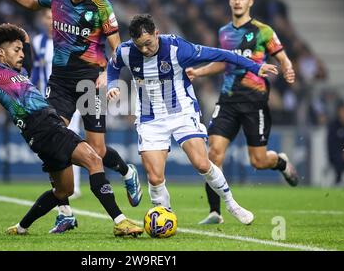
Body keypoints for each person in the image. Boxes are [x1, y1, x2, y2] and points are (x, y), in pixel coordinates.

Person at [0, 23, 143, 237]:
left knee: (63, 191)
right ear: (1, 52)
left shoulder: (19, 73)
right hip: (44, 125)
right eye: (16, 50)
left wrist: (25, 40)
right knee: (93, 159)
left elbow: (27, 62)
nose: (21, 54)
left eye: (21, 50)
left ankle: (21, 227)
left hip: (38, 134)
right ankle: (120, 221)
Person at [0, 0, 142, 233]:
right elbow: (33, 2)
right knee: (52, 142)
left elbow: (117, 48)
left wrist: (106, 75)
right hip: (60, 82)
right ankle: (65, 210)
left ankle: (126, 171)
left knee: (96, 150)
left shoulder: (101, 6)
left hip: (89, 82)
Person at [107, 14, 278, 225]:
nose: (144, 50)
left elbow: (222, 54)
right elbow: (112, 66)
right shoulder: (125, 51)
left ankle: (231, 203)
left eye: (148, 44)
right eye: (139, 46)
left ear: (156, 34)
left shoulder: (178, 49)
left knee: (201, 163)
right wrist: (113, 84)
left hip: (182, 114)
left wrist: (255, 67)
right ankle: (165, 217)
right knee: (154, 177)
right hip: (150, 119)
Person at [185, 0, 299, 225]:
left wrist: (288, 68)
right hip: (227, 100)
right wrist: (200, 72)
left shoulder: (263, 31)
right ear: (229, 1)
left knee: (258, 160)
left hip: (254, 102)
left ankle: (280, 161)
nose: (237, 1)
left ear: (250, 2)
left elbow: (281, 56)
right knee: (213, 153)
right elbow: (225, 62)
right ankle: (215, 212)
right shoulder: (224, 32)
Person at [31, 9, 82, 200]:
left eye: (53, 17)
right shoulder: (37, 42)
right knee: (53, 142)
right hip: (46, 101)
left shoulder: (70, 40)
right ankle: (59, 184)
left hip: (69, 98)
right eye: (46, 17)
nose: (49, 21)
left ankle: (74, 185)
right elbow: (36, 71)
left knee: (72, 139)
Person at [327, 102, 344, 186]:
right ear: (339, 113)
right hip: (337, 155)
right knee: (339, 160)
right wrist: (343, 154)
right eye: (343, 112)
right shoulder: (334, 126)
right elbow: (331, 145)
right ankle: (338, 182)